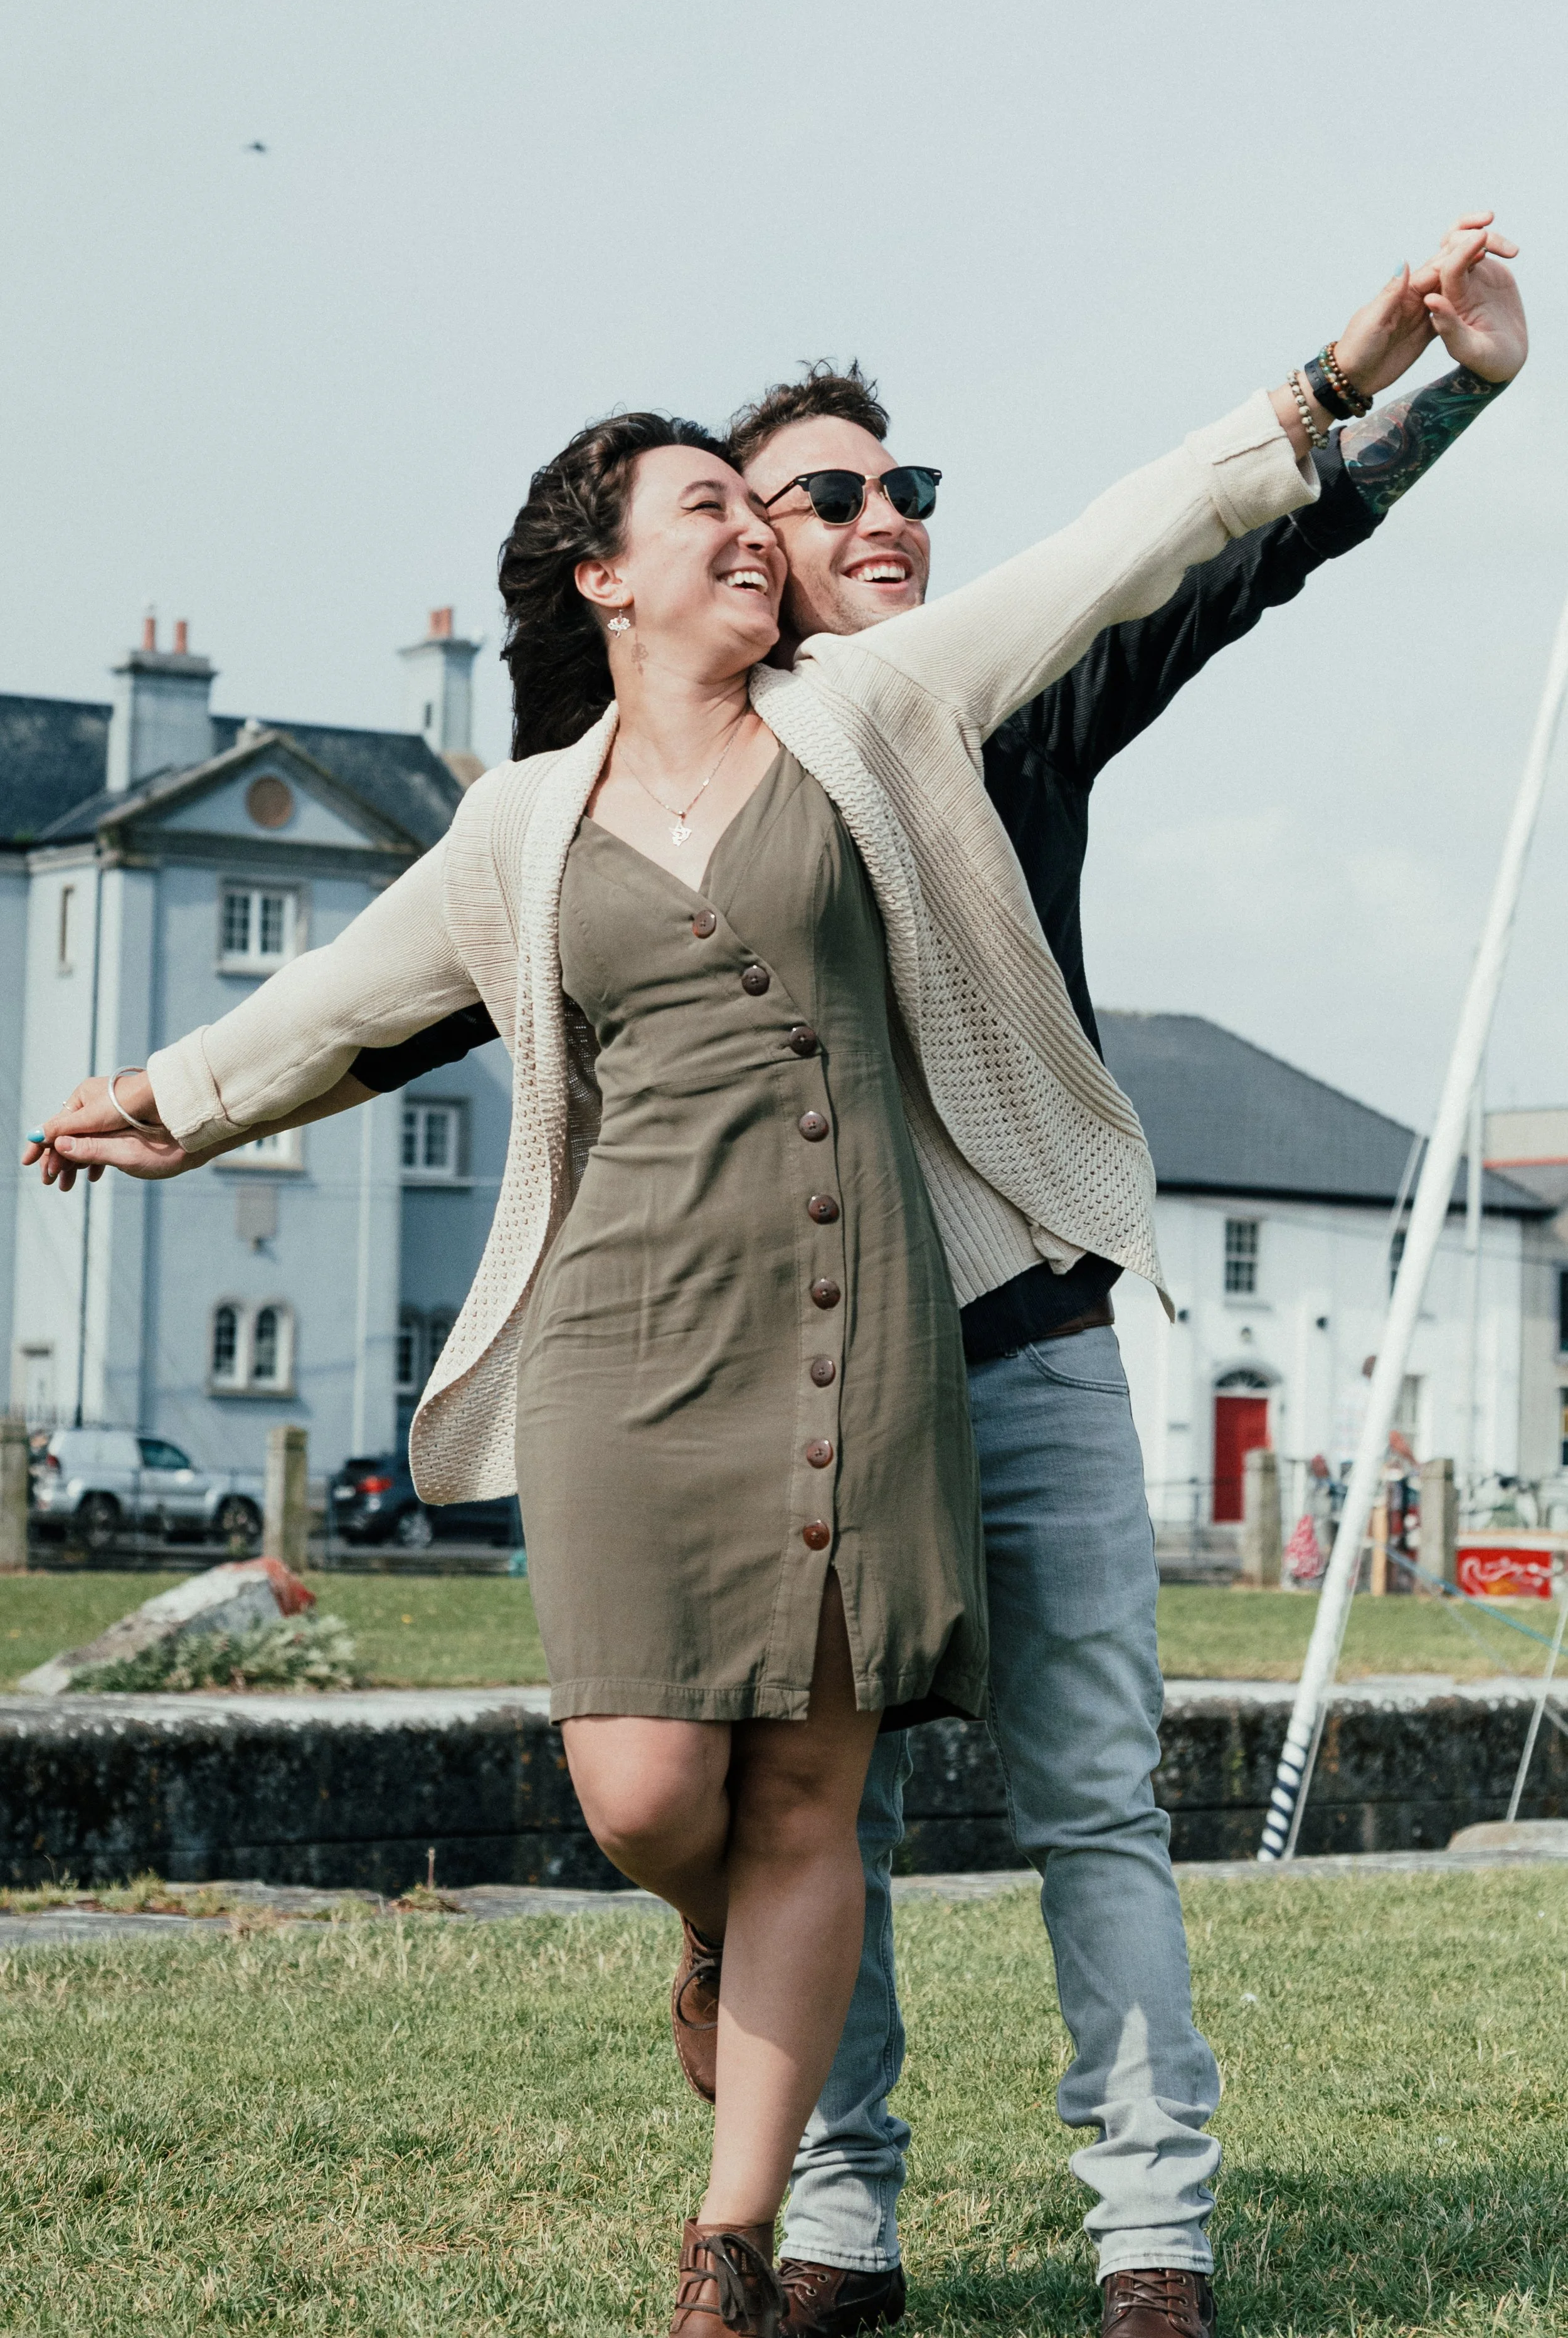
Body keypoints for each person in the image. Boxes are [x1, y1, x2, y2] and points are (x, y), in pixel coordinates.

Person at [29, 224, 1522, 2337]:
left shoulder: (917, 707)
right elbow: (387, 997)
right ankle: (813, 2170)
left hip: (964, 1327)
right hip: (689, 1351)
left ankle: (1066, 2242)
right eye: (781, 499)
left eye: (878, 494)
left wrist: (1387, 371)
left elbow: (1164, 542)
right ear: (642, 566)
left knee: (1024, 1792)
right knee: (736, 1803)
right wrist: (173, 1095)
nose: (856, 526)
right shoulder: (545, 822)